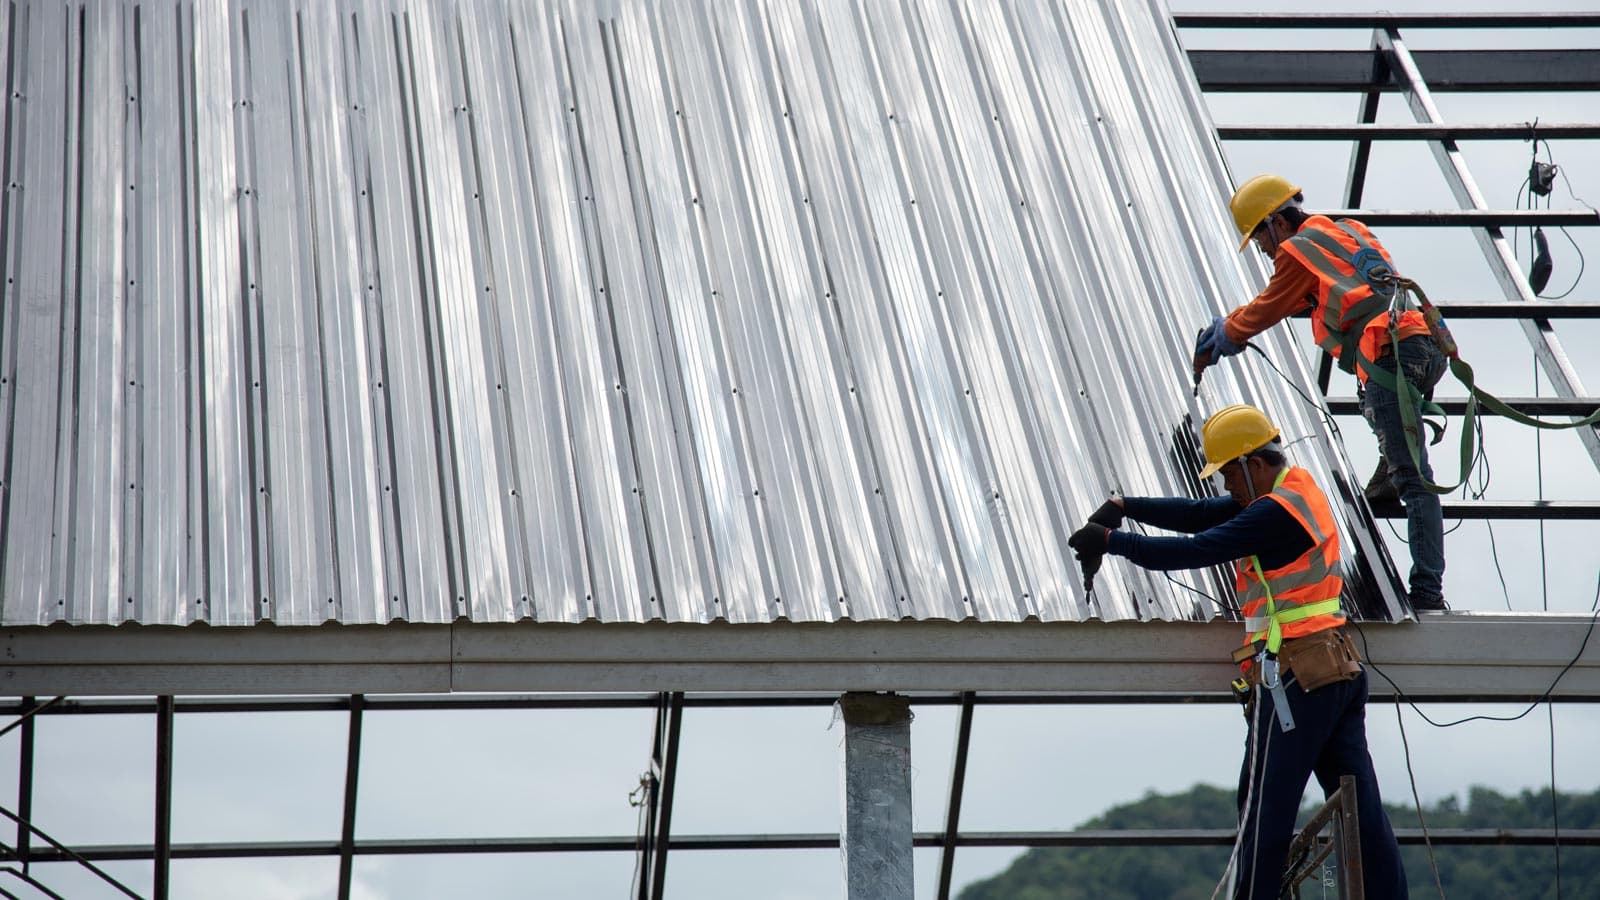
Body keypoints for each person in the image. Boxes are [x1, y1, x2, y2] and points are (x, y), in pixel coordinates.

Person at [1067, 404, 1408, 900]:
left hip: (1297, 677)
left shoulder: (1273, 513)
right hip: (1333, 669)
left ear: (1255, 463)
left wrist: (1110, 541)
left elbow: (1196, 548)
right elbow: (1201, 514)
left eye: (1229, 473)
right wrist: (1124, 505)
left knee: (1262, 809)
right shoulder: (1294, 492)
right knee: (1359, 810)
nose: (1227, 486)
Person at [1193, 174, 1448, 611]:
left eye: (1261, 239)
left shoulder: (1295, 250)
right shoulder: (1345, 231)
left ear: (1277, 223)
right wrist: (1231, 323)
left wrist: (1226, 335)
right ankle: (1386, 476)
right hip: (1424, 345)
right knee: (1396, 447)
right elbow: (1297, 297)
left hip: (1389, 357)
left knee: (1414, 479)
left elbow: (1271, 304)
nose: (1265, 250)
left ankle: (1427, 591)